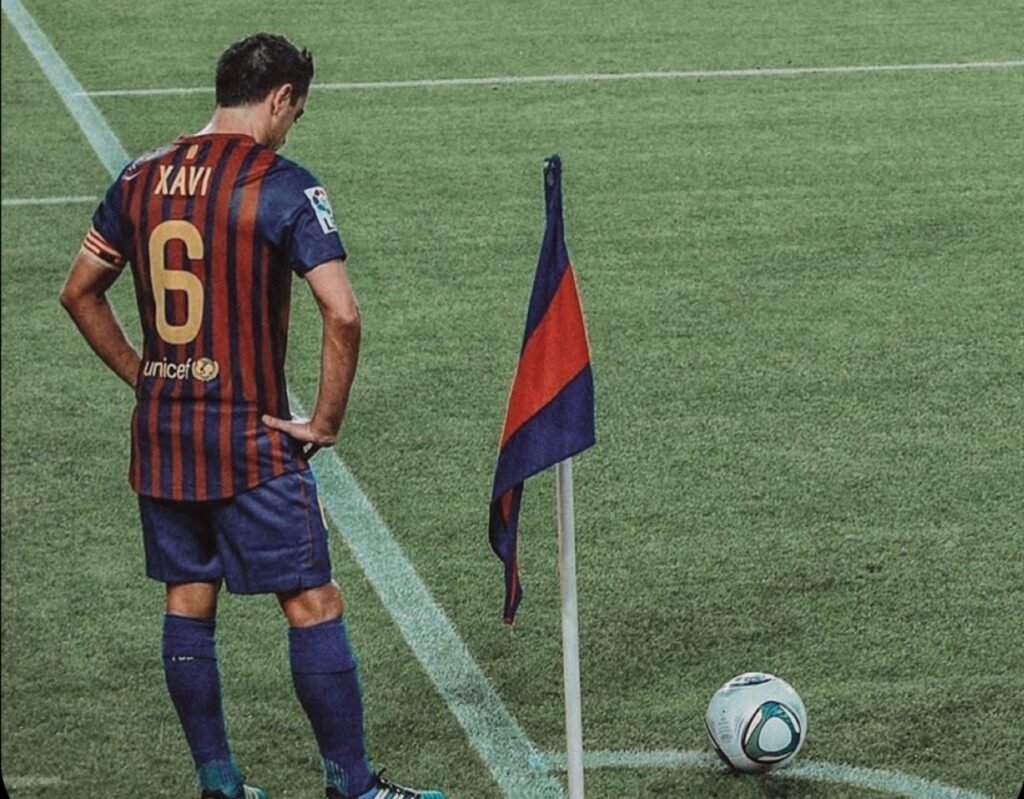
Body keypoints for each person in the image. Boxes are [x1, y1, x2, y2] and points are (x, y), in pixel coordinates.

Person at [59, 32, 445, 799]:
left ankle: (219, 783)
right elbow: (342, 313)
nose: (292, 126)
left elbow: (79, 291)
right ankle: (353, 786)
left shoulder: (138, 177)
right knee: (312, 601)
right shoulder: (281, 184)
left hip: (165, 435)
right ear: (280, 98)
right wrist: (324, 422)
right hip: (250, 438)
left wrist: (146, 375)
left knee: (187, 599)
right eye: (295, 112)